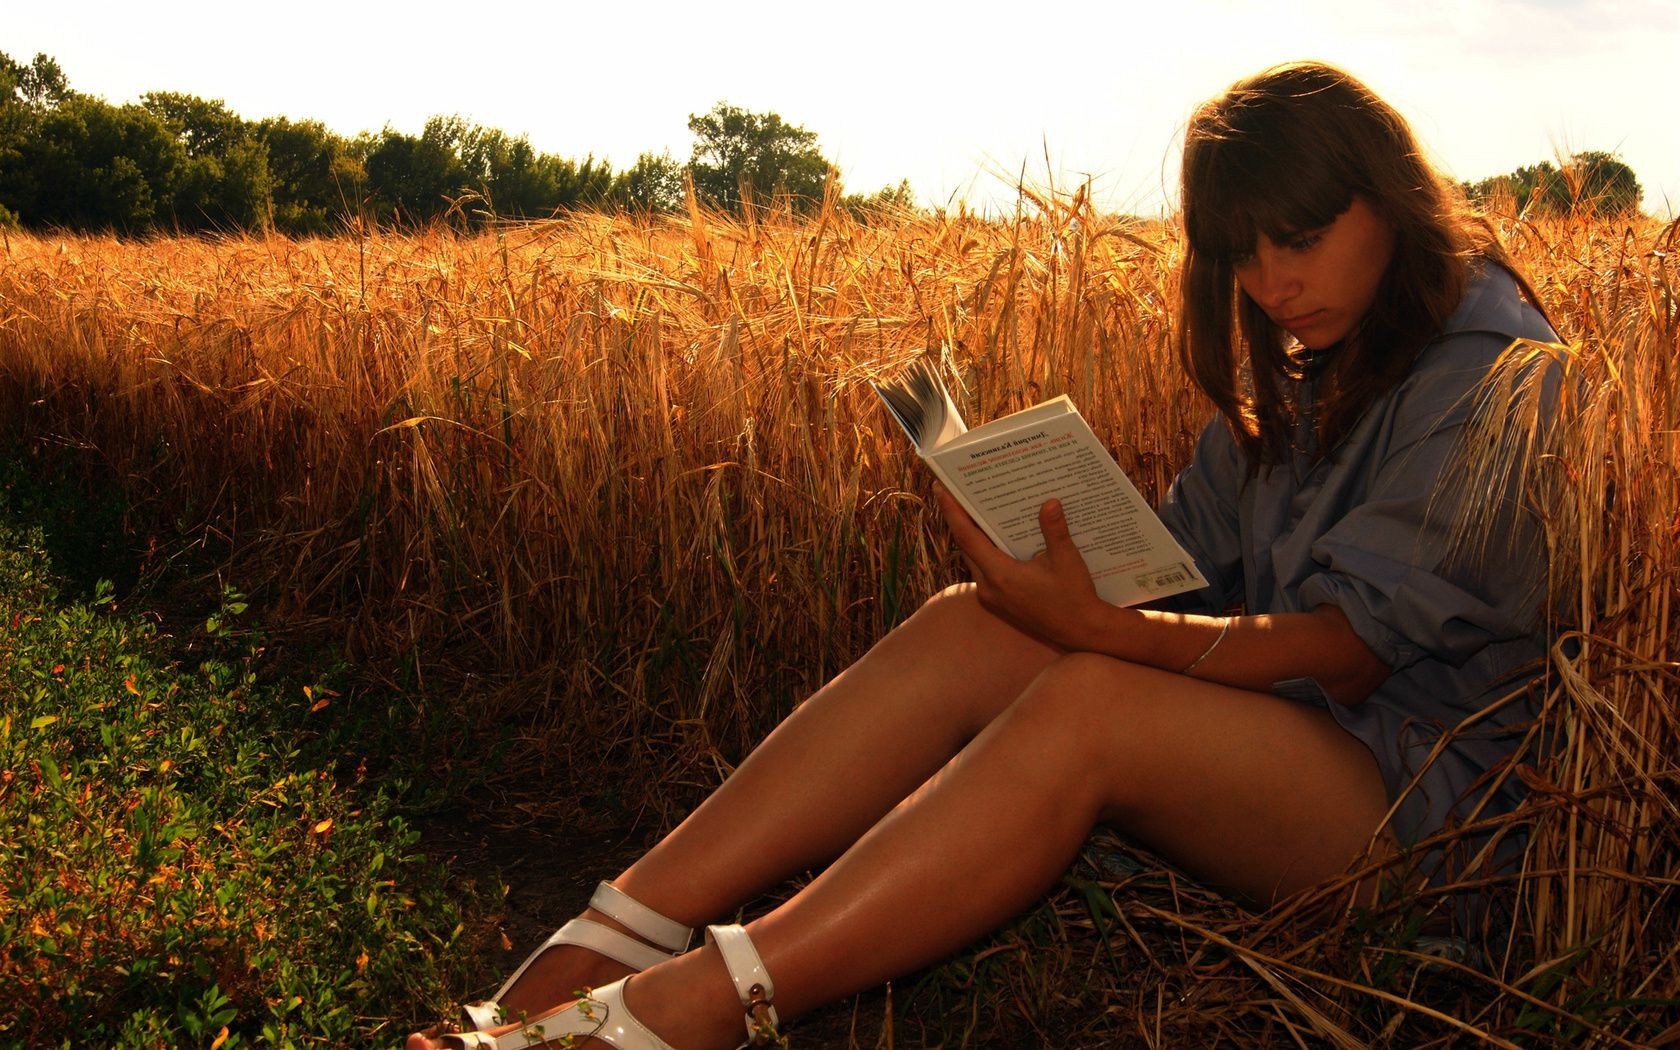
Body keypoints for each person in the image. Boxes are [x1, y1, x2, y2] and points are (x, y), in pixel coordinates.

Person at [410, 60, 1559, 1049]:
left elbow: (1349, 654)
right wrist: (1051, 554)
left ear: (1395, 202)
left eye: (1301, 239)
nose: (1271, 283)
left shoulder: (1494, 371)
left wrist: (1106, 628)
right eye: (1240, 254)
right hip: (1295, 745)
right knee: (977, 622)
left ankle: (687, 1011)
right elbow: (1186, 573)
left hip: (1423, 818)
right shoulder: (1319, 354)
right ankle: (609, 934)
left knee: (1094, 698)